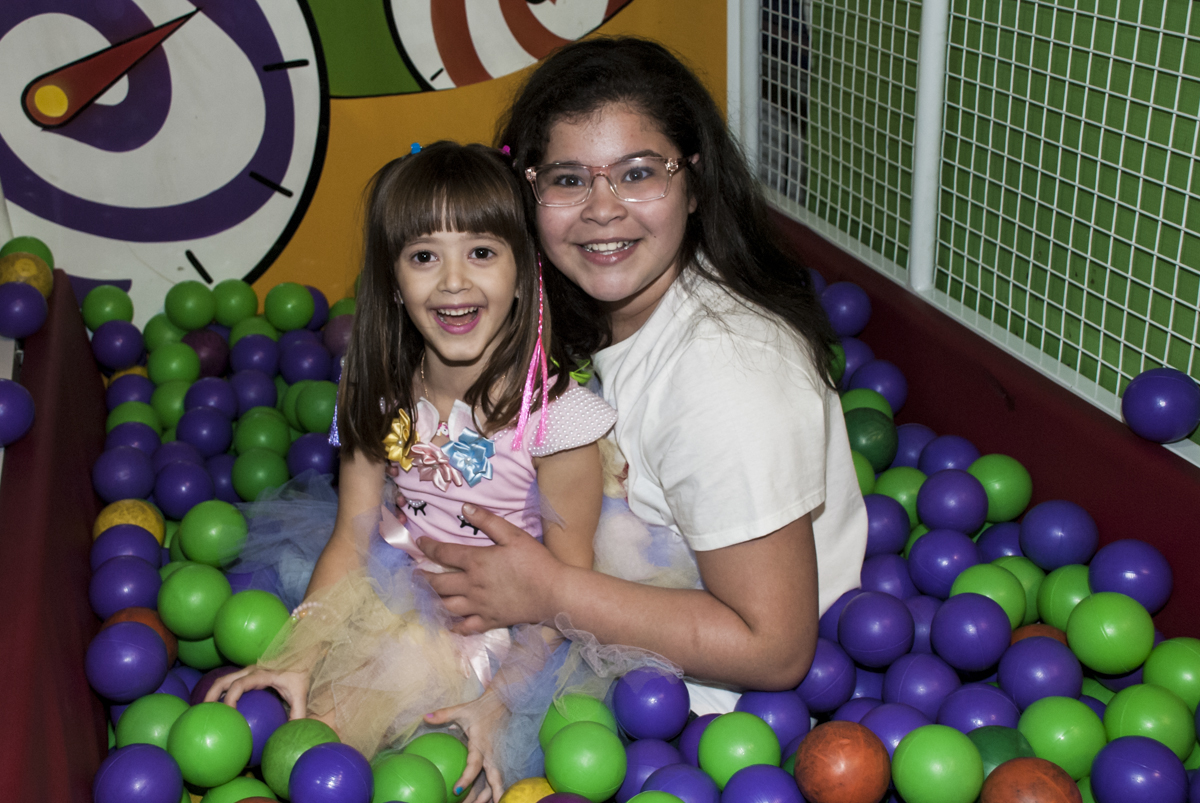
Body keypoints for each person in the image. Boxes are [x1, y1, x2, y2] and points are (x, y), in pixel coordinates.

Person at [415, 37, 869, 715]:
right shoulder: (599, 309)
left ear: (693, 185)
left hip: (698, 708)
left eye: (638, 173)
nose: (603, 208)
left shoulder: (728, 379)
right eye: (568, 178)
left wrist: (552, 592)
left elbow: (776, 647)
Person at [205, 142, 651, 800]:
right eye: (423, 256)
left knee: (451, 773)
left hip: (520, 620)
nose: (452, 281)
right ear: (391, 278)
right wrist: (296, 652)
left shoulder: (555, 421)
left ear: (524, 271)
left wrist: (498, 704)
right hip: (399, 579)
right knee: (316, 739)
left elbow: (565, 591)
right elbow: (352, 531)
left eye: (481, 252)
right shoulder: (373, 382)